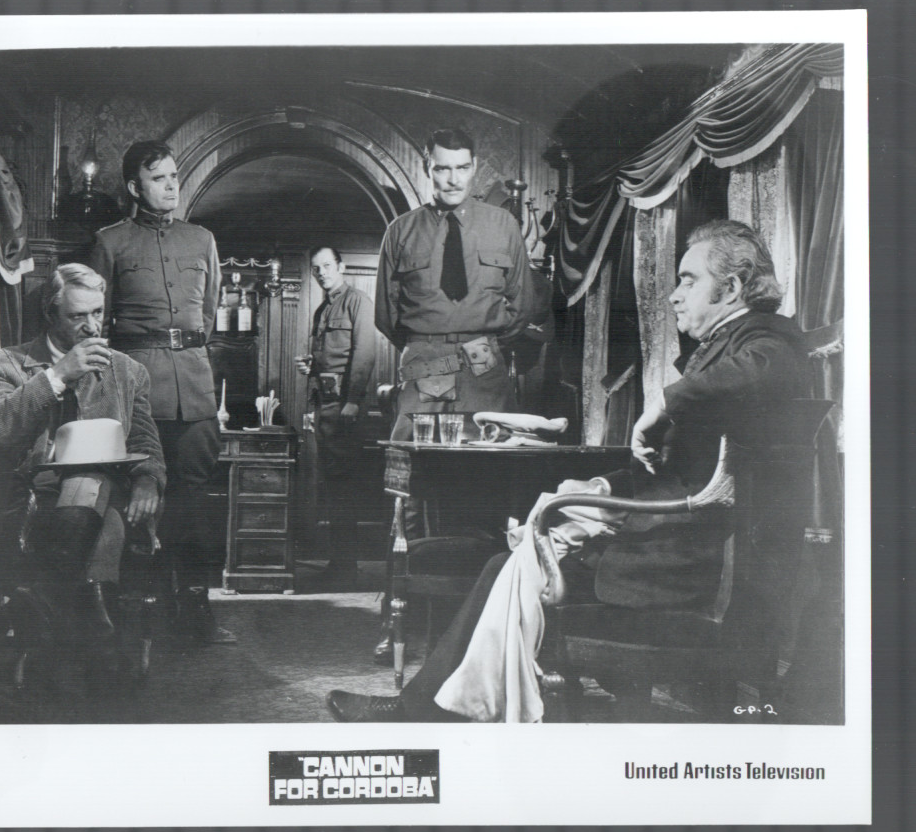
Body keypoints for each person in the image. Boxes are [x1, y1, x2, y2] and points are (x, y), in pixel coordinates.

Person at [327, 219, 812, 722]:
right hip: (673, 545)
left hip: (685, 568)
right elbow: (681, 472)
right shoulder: (729, 343)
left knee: (510, 563)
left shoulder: (770, 339)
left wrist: (662, 406)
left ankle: (430, 711)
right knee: (511, 558)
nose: (674, 295)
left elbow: (759, 373)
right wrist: (601, 486)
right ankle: (439, 706)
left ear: (730, 288)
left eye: (689, 280)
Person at [88, 140, 235, 644]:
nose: (172, 186)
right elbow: (97, 325)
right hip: (138, 391)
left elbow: (208, 314)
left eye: (174, 176)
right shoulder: (110, 242)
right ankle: (141, 615)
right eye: (159, 178)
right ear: (135, 187)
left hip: (194, 389)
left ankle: (194, 610)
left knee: (193, 504)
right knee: (137, 499)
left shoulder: (202, 240)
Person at [0, 264, 165, 638]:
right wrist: (57, 376)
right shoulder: (5, 365)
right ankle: (92, 616)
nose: (92, 327)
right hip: (34, 493)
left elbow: (144, 442)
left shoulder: (127, 371)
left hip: (108, 488)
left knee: (91, 480)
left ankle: (45, 597)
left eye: (98, 312)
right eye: (78, 316)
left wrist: (149, 480)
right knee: (102, 509)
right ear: (51, 314)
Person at [375, 128, 538, 441]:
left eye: (462, 168)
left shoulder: (503, 225)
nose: (453, 179)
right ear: (427, 168)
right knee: (413, 453)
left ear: (474, 166)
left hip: (484, 363)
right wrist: (426, 345)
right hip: (425, 360)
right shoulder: (400, 231)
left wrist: (486, 344)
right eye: (442, 168)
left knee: (490, 453)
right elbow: (385, 315)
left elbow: (523, 307)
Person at [295, 245, 376, 586]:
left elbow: (364, 353)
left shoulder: (358, 301)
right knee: (333, 484)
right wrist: (309, 366)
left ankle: (346, 567)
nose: (322, 273)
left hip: (344, 406)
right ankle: (340, 563)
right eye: (316, 268)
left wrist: (353, 401)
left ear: (341, 267)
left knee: (344, 487)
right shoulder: (322, 309)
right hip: (325, 405)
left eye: (327, 266)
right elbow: (327, 358)